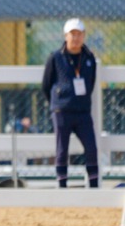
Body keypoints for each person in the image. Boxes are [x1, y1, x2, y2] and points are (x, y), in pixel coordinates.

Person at [41, 18, 98, 188]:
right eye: (72, 34)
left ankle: (94, 186)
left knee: (91, 148)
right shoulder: (55, 58)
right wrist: (58, 103)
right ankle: (62, 187)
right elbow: (46, 84)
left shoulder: (89, 58)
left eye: (79, 34)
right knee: (62, 150)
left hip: (83, 112)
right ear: (65, 36)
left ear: (84, 36)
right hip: (62, 111)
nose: (76, 38)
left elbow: (91, 82)